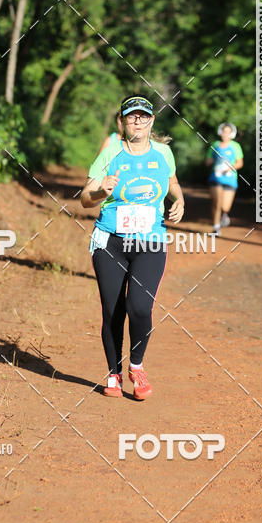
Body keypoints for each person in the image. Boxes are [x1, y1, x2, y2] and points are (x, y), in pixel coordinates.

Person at [80, 94, 185, 400]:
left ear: (151, 120)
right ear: (123, 121)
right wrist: (101, 191)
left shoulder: (164, 152)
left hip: (150, 241)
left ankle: (136, 366)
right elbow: (85, 198)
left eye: (143, 115)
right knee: (113, 310)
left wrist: (178, 200)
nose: (137, 120)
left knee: (140, 306)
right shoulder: (110, 152)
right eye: (131, 116)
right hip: (109, 241)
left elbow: (173, 182)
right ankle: (113, 373)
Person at [205, 122, 244, 236]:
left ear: (232, 133)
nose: (225, 134)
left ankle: (224, 214)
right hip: (215, 178)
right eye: (223, 131)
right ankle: (216, 228)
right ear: (220, 132)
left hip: (230, 179)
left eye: (228, 132)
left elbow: (240, 163)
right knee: (216, 203)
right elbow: (207, 161)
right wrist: (212, 161)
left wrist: (228, 168)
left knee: (225, 206)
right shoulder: (215, 145)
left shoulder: (235, 146)